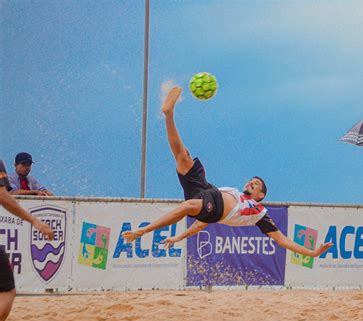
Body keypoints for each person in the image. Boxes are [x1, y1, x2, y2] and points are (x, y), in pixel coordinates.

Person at [123, 86, 332, 258]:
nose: (252, 182)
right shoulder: (236, 193)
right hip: (205, 189)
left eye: (256, 184)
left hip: (214, 207)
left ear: (261, 196)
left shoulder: (259, 214)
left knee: (188, 206)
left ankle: (144, 230)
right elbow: (199, 225)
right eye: (252, 180)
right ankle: (169, 114)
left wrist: (312, 253)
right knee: (183, 156)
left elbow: (282, 239)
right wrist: (179, 238)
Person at [0, 159, 54, 321]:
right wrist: (34, 220)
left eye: (28, 164)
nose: (26, 167)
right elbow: (3, 195)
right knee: (6, 292)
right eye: (23, 164)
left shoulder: (32, 180)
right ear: (16, 165)